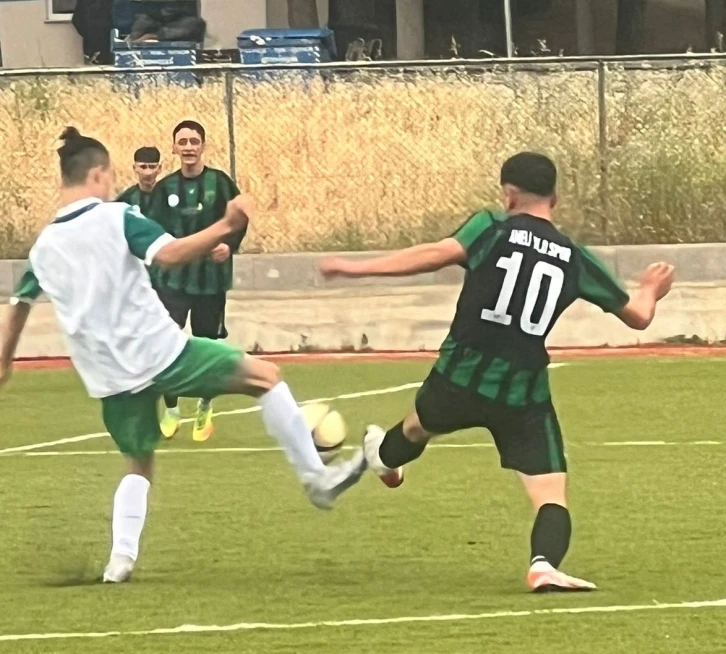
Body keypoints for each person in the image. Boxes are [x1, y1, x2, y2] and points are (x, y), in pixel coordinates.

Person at [0, 127, 366, 584]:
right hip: (160, 351)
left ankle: (120, 561)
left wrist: (5, 361)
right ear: (98, 174)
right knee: (266, 377)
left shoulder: (43, 248)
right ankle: (317, 480)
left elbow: (18, 306)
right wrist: (226, 224)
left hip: (109, 376)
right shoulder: (117, 217)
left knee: (139, 463)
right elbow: (170, 254)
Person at [320, 152, 675, 593]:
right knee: (549, 494)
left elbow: (435, 254)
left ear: (508, 194)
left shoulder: (491, 226)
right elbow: (639, 316)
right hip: (522, 393)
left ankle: (385, 459)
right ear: (554, 198)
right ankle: (543, 565)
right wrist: (650, 288)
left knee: (415, 428)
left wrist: (354, 268)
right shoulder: (574, 257)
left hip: (458, 377)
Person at [147, 120, 244, 443]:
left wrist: (229, 245)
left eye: (194, 141)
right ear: (174, 147)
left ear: (203, 146)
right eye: (183, 142)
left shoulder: (221, 183)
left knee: (206, 347)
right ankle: (172, 409)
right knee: (166, 344)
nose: (188, 147)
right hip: (172, 280)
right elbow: (152, 228)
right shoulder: (165, 189)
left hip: (210, 282)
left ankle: (205, 406)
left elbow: (239, 218)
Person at [116, 146, 162, 214]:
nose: (148, 173)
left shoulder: (168, 195)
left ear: (159, 169)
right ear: (135, 168)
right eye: (143, 167)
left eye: (152, 167)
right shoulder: (126, 199)